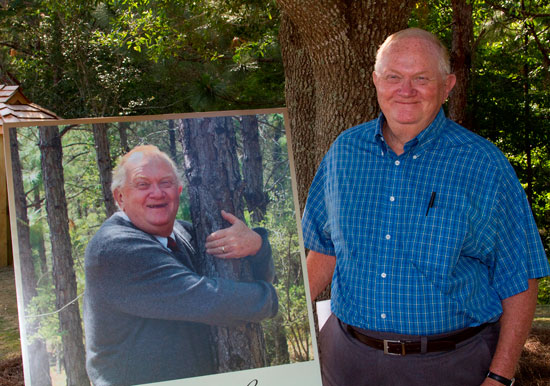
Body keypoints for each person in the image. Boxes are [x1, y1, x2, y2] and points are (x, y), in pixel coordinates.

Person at [302, 28, 549, 386]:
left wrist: (500, 377)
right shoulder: (344, 152)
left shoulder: (482, 164)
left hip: (449, 367)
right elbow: (323, 250)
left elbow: (520, 277)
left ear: (447, 85)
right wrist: (274, 327)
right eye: (393, 77)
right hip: (345, 362)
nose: (405, 90)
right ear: (376, 81)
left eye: (421, 78)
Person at [83, 145, 278, 386]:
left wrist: (257, 245)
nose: (157, 193)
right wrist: (270, 298)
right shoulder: (113, 249)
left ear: (178, 191)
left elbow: (251, 277)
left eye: (165, 183)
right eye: (143, 184)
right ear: (120, 197)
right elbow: (206, 301)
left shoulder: (184, 233)